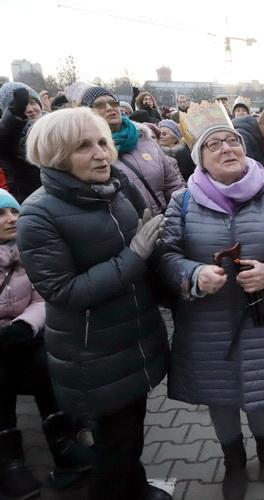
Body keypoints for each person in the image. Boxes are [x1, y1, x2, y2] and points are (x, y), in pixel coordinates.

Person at [159, 102, 264, 499]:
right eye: (215, 144)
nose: (227, 148)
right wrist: (193, 274)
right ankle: (234, 462)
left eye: (233, 141)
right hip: (207, 324)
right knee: (220, 397)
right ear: (200, 158)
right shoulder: (183, 202)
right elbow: (166, 256)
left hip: (263, 320)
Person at [17, 107, 170, 500]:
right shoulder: (37, 215)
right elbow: (65, 292)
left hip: (133, 340)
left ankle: (135, 488)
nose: (101, 153)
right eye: (84, 146)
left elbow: (148, 250)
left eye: (102, 142)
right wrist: (134, 255)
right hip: (93, 353)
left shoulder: (115, 188)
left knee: (129, 435)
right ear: (56, 155)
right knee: (114, 448)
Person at [0, 188, 94, 500]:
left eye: (14, 211)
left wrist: (24, 325)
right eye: (1, 214)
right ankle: (9, 460)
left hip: (24, 333)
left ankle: (63, 445)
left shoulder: (29, 251)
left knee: (47, 363)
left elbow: (43, 298)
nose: (11, 219)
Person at [81, 86, 185, 215]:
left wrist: (178, 217)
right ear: (87, 113)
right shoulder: (88, 152)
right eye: (100, 105)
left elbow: (173, 184)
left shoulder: (144, 138)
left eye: (113, 103)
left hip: (165, 219)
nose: (109, 108)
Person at [0, 83, 44, 203]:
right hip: (30, 202)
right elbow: (6, 136)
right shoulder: (10, 136)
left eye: (32, 103)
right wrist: (16, 115)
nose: (30, 109)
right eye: (22, 105)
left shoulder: (55, 125)